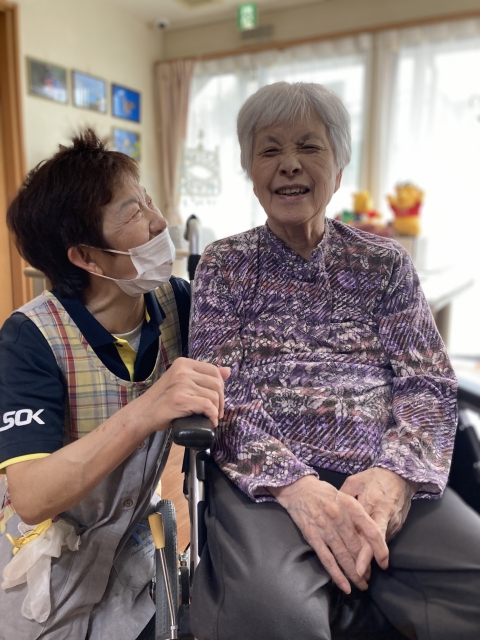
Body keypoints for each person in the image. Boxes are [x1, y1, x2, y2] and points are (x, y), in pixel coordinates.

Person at [189, 82, 480, 640]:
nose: (289, 164)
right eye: (269, 150)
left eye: (309, 146)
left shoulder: (384, 262)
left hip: (381, 473)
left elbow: (426, 381)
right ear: (251, 170)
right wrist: (295, 487)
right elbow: (222, 395)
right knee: (275, 616)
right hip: (269, 486)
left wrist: (396, 476)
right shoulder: (224, 266)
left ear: (339, 167)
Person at [0, 130, 229, 640]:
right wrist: (147, 410)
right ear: (86, 257)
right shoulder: (31, 337)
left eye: (148, 200)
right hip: (45, 553)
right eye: (133, 213)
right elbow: (31, 496)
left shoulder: (178, 303)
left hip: (130, 544)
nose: (158, 221)